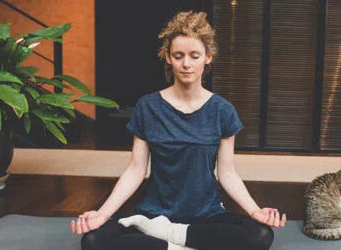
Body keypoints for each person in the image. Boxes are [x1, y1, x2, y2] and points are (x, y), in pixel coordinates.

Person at [70, 11, 287, 250]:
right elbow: (136, 169)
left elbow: (227, 173)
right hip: (155, 214)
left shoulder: (223, 111)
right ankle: (181, 242)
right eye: (178, 55)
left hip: (206, 216)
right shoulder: (148, 107)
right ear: (168, 57)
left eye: (195, 56)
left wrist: (255, 211)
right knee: (92, 241)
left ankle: (170, 241)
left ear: (208, 57)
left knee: (260, 236)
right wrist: (102, 214)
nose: (186, 63)